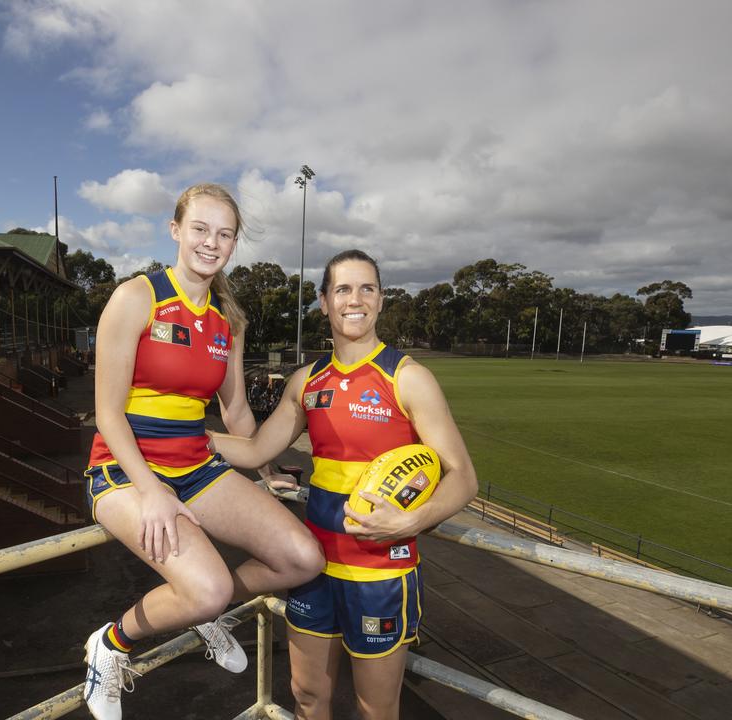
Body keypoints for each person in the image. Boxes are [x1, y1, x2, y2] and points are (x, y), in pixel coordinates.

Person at [81, 184, 325, 720]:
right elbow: (108, 414)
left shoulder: (226, 319)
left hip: (197, 467)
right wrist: (152, 492)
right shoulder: (136, 297)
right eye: (200, 229)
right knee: (210, 587)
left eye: (224, 234)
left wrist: (263, 472)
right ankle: (109, 647)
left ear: (234, 244)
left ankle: (201, 610)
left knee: (302, 558)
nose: (211, 242)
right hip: (124, 471)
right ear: (175, 230)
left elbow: (236, 414)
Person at [212, 249, 478, 720]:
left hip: (381, 577)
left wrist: (411, 519)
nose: (355, 300)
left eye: (367, 288)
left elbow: (462, 476)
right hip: (313, 570)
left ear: (380, 299)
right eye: (343, 289)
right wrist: (183, 434)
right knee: (307, 696)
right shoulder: (307, 381)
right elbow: (255, 451)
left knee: (375, 709)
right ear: (323, 302)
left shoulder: (408, 378)